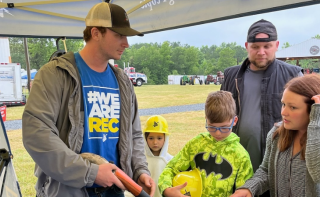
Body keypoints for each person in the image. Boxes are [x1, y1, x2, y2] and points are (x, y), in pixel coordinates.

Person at [22, 2, 155, 197]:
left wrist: (140, 171)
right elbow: (37, 134)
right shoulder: (55, 74)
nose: (126, 43)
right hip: (68, 192)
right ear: (95, 33)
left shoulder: (123, 82)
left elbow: (133, 135)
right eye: (118, 35)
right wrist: (90, 173)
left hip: (114, 192)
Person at [220, 19, 302, 176]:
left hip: (278, 166)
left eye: (267, 46)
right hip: (235, 163)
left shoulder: (293, 75)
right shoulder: (231, 75)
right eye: (255, 47)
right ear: (246, 46)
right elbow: (218, 114)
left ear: (276, 46)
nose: (261, 52)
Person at [231, 74, 320, 197]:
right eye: (283, 104)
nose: (283, 112)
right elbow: (266, 170)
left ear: (313, 110)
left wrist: (316, 123)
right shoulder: (276, 134)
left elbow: (318, 173)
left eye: (293, 107)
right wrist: (249, 189)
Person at [158, 91, 254, 197]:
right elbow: (170, 169)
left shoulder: (241, 155)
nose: (218, 133)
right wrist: (166, 189)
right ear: (206, 120)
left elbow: (245, 191)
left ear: (234, 121)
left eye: (224, 127)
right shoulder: (196, 145)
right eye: (212, 127)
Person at [125, 115, 173, 197]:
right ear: (145, 138)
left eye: (159, 138)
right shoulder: (140, 162)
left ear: (165, 138)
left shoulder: (170, 161)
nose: (155, 142)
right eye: (151, 138)